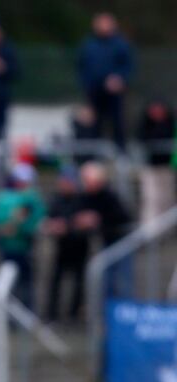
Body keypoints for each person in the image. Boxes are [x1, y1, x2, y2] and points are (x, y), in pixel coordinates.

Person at [0, 163, 46, 310]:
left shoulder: (6, 198)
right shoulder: (24, 198)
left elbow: (30, 222)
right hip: (15, 247)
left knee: (22, 284)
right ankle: (17, 315)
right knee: (17, 284)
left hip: (21, 246)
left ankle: (23, 314)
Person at [76, 161, 133, 299]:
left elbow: (123, 217)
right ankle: (108, 311)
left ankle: (123, 308)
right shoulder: (85, 197)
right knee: (106, 279)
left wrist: (98, 219)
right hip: (106, 242)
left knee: (123, 279)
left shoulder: (109, 196)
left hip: (120, 241)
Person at [77, 12, 133, 150]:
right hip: (93, 92)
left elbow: (128, 66)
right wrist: (85, 86)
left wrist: (120, 79)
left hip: (114, 92)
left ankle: (121, 153)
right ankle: (93, 155)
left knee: (117, 123)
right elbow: (81, 67)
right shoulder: (88, 45)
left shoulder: (121, 45)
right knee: (93, 123)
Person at [44, 168, 90, 322]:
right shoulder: (56, 200)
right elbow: (48, 220)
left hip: (80, 247)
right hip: (62, 247)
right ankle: (51, 313)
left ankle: (74, 313)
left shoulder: (83, 199)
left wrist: (75, 225)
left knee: (78, 283)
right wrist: (53, 226)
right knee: (56, 281)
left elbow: (88, 220)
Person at [136, 99, 176, 223]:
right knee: (152, 199)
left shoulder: (170, 123)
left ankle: (165, 229)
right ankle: (150, 230)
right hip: (151, 168)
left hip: (167, 167)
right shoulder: (146, 125)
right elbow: (143, 139)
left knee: (167, 198)